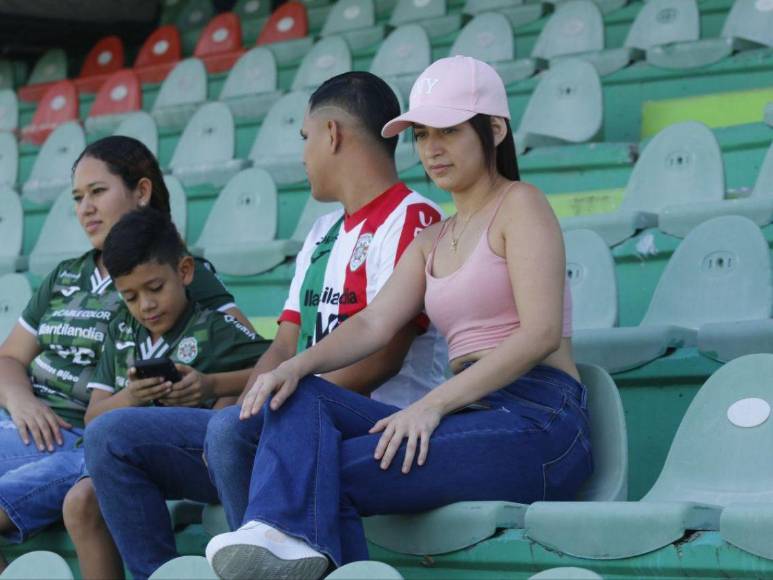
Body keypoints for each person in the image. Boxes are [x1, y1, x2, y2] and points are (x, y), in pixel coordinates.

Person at [205, 56, 593, 580]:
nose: (432, 149)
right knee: (301, 395)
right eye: (422, 135)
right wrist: (292, 368)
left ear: (495, 129)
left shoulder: (522, 205)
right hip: (470, 414)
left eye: (449, 131)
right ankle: (277, 538)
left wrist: (430, 407)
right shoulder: (432, 239)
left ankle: (275, 534)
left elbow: (541, 333)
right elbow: (370, 325)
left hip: (538, 419)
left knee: (318, 477)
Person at [85, 71, 447, 580]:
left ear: (332, 136)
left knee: (234, 431)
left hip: (375, 426)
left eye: (304, 138)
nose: (302, 156)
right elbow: (281, 346)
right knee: (111, 435)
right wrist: (260, 398)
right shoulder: (323, 231)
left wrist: (274, 409)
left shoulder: (413, 219)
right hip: (290, 418)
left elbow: (383, 356)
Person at [0, 136, 252, 577]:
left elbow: (253, 361)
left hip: (92, 437)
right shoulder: (64, 275)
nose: (85, 208)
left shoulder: (175, 274)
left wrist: (214, 410)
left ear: (141, 192)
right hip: (26, 426)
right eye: (78, 198)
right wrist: (22, 402)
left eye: (98, 192)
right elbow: (9, 358)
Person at [74, 207, 268, 578]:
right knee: (99, 450)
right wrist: (132, 397)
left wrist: (212, 387)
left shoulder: (215, 328)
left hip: (218, 462)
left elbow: (275, 368)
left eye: (155, 288)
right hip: (153, 465)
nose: (145, 305)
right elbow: (92, 420)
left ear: (184, 272)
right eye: (130, 296)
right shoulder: (121, 332)